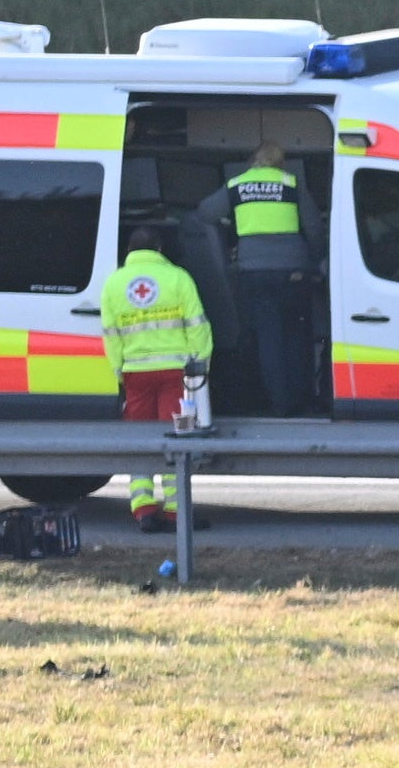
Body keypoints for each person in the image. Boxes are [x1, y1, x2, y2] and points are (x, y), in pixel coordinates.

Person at [103, 239, 214, 529]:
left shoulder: (114, 283)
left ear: (130, 252)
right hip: (175, 372)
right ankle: (178, 511)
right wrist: (200, 367)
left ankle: (143, 510)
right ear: (160, 250)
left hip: (135, 373)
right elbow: (198, 325)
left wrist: (120, 372)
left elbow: (111, 335)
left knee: (139, 442)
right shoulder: (178, 277)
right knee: (178, 438)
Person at [220, 151, 316, 419]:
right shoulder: (292, 183)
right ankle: (301, 401)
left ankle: (279, 405)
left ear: (253, 161)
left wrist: (231, 229)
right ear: (280, 162)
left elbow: (205, 211)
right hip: (293, 271)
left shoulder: (238, 184)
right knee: (297, 336)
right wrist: (314, 260)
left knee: (268, 339)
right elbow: (314, 227)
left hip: (254, 272)